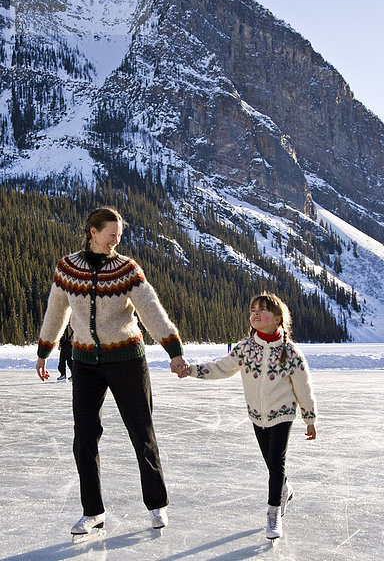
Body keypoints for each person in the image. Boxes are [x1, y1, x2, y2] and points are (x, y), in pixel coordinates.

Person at [36, 206, 186, 541]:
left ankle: (157, 503)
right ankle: (93, 512)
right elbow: (56, 310)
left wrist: (173, 351)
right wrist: (45, 350)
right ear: (93, 231)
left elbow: (151, 311)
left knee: (142, 432)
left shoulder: (127, 269)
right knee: (84, 439)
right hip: (85, 362)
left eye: (119, 236)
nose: (115, 241)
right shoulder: (67, 268)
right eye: (111, 235)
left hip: (127, 361)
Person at [176, 292, 317, 541]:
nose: (255, 313)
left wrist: (309, 419)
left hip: (283, 414)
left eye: (263, 310)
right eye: (253, 309)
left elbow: (303, 387)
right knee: (272, 463)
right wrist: (192, 370)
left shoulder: (290, 352)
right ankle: (285, 488)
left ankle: (273, 514)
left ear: (277, 319)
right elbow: (220, 367)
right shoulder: (245, 348)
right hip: (256, 415)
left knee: (277, 461)